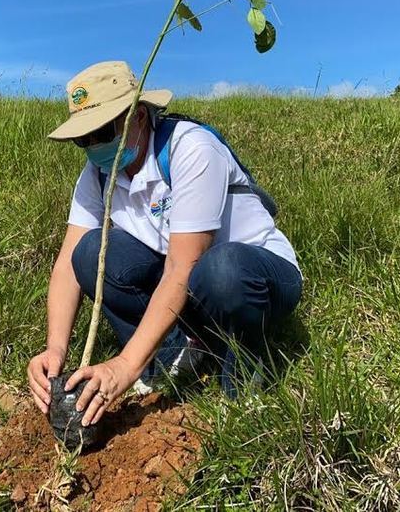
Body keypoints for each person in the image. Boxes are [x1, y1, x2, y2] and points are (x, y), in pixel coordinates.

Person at [27, 61, 302, 429]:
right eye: (84, 139)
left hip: (254, 279)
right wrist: (55, 349)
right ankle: (179, 352)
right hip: (190, 287)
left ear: (138, 116)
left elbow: (183, 267)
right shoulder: (97, 176)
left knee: (221, 270)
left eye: (103, 132)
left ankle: (245, 376)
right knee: (90, 254)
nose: (95, 147)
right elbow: (67, 265)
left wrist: (124, 365)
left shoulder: (191, 148)